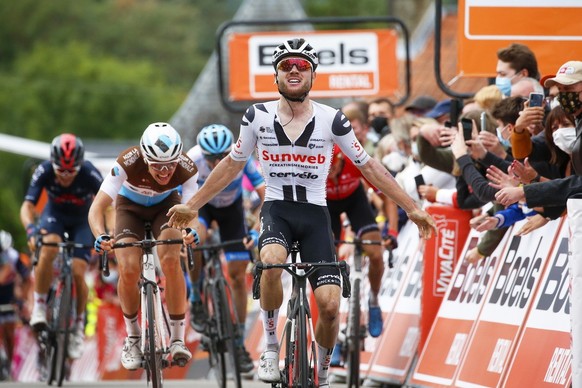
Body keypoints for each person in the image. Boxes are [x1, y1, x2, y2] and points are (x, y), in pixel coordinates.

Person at [166, 38, 436, 387]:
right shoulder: (256, 116)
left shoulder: (333, 120)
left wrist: (412, 208)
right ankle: (271, 347)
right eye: (286, 66)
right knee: (272, 259)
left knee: (328, 305)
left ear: (312, 76)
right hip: (277, 209)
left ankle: (322, 372)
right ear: (275, 76)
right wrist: (192, 205)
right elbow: (232, 165)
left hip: (315, 215)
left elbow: (369, 166)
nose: (294, 70)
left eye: (302, 66)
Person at [492, 61, 582, 385]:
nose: (563, 97)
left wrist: (528, 191)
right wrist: (517, 131)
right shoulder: (570, 128)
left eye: (570, 89)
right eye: (557, 92)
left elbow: (577, 185)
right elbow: (529, 152)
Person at [87, 122, 199, 370]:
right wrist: (100, 235)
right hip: (130, 209)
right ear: (145, 158)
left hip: (167, 206)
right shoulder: (127, 161)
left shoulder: (187, 168)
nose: (165, 172)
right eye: (158, 166)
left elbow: (192, 210)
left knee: (171, 259)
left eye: (170, 165)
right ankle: (133, 338)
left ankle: (178, 339)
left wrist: (191, 232)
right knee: (128, 268)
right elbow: (97, 207)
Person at [186, 123, 265, 373]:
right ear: (203, 154)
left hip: (232, 211)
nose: (219, 163)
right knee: (194, 239)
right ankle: (197, 297)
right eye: (213, 159)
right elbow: (179, 198)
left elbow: (266, 195)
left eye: (223, 157)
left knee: (238, 276)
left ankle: (240, 342)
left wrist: (257, 230)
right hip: (202, 208)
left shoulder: (241, 157)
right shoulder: (192, 159)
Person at [20, 133, 102, 360]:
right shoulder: (44, 170)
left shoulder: (89, 172)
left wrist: (106, 232)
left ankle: (76, 326)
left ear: (79, 166)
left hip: (82, 220)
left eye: (70, 171)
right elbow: (27, 206)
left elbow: (109, 204)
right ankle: (39, 306)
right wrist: (30, 230)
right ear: (53, 164)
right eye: (61, 171)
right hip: (54, 216)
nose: (65, 176)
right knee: (48, 247)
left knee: (78, 271)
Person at [0, 230, 31, 376]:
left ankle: (9, 364)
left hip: (9, 299)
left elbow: (28, 279)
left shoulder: (13, 256)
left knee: (9, 334)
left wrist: (23, 298)